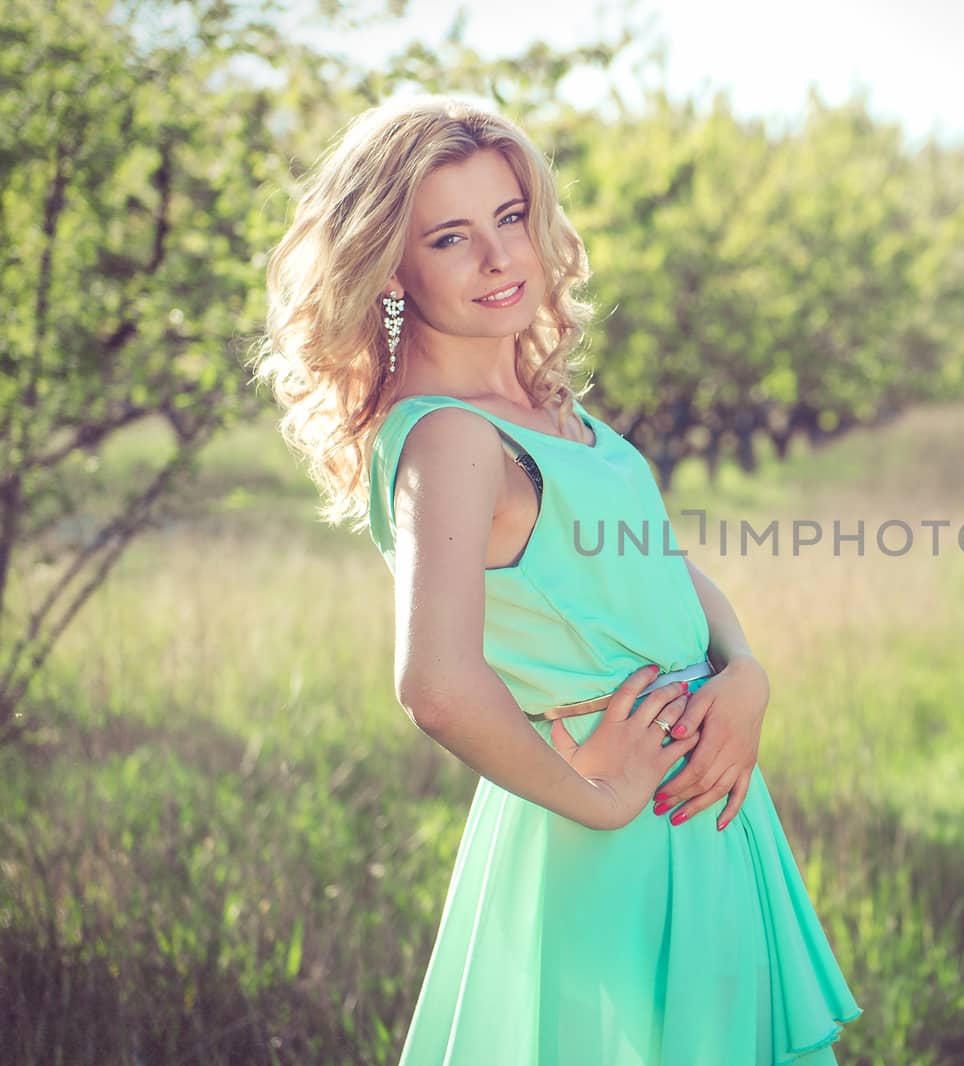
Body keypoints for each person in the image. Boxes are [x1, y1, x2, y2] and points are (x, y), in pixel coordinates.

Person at [250, 94, 861, 1064]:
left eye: (511, 218)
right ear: (391, 266)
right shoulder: (451, 436)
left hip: (693, 798)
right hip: (617, 825)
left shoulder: (538, 405)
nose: (500, 259)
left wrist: (744, 674)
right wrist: (604, 798)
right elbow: (438, 688)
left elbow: (659, 568)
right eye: (452, 237)